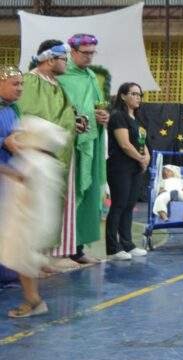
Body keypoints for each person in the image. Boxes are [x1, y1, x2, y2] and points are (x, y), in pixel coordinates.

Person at [17, 40, 90, 269]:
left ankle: (46, 256)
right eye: (64, 59)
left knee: (51, 208)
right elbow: (31, 116)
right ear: (49, 59)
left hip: (61, 153)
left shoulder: (56, 84)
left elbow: (63, 114)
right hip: (40, 155)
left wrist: (76, 121)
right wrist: (65, 125)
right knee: (36, 208)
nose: (67, 63)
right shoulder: (31, 81)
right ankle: (30, 260)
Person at [0, 116, 67, 318]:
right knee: (25, 264)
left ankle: (34, 301)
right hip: (35, 221)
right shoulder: (47, 161)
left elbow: (21, 178)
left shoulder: (34, 161)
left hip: (27, 222)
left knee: (24, 264)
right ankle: (33, 299)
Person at [60, 34, 107, 263]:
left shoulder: (91, 76)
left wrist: (102, 117)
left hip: (90, 141)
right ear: (72, 51)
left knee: (87, 194)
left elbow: (95, 106)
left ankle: (77, 248)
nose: (89, 57)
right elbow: (61, 110)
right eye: (85, 53)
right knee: (69, 194)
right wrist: (88, 115)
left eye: (92, 53)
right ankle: (62, 249)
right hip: (69, 145)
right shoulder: (62, 76)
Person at [105, 82, 149, 261]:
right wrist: (140, 159)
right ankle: (113, 248)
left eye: (139, 94)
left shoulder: (136, 118)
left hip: (135, 167)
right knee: (119, 205)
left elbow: (141, 141)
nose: (138, 97)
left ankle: (128, 244)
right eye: (133, 94)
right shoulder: (118, 116)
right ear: (123, 96)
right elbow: (124, 144)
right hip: (120, 167)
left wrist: (146, 156)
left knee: (129, 205)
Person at [0, 66, 23, 284]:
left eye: (21, 84)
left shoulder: (12, 109)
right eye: (15, 84)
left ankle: (8, 271)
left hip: (8, 175)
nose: (20, 88)